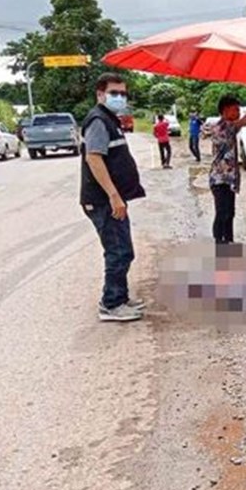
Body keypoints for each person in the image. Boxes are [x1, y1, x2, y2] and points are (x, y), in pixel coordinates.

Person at [79, 73, 146, 322]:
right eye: (114, 93)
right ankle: (111, 304)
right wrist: (114, 196)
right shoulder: (98, 120)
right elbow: (93, 158)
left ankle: (120, 296)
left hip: (111, 198)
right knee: (118, 251)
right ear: (100, 94)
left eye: (123, 93)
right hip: (102, 199)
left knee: (123, 249)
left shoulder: (110, 119)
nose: (120, 97)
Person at [208, 93, 246, 244]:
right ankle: (219, 241)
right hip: (220, 179)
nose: (238, 113)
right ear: (225, 110)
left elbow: (241, 122)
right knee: (222, 212)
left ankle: (229, 241)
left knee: (230, 213)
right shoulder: (221, 127)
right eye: (235, 109)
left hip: (229, 178)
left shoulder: (230, 127)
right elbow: (243, 122)